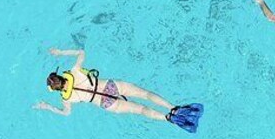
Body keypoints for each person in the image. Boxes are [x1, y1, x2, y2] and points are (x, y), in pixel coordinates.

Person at [34, 48, 203, 133]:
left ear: (56, 89)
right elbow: (81, 52)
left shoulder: (66, 98)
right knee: (145, 94)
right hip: (110, 86)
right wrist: (60, 52)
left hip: (105, 102)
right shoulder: (74, 71)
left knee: (142, 110)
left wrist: (46, 106)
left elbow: (66, 113)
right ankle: (173, 107)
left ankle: (168, 118)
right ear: (60, 75)